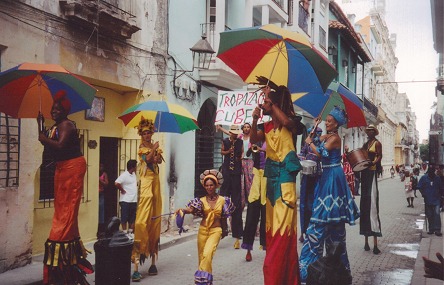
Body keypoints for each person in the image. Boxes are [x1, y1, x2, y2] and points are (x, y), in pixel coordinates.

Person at [298, 107, 359, 284]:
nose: (327, 122)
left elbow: (320, 153)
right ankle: (326, 271)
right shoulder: (328, 136)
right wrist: (313, 128)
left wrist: (310, 142)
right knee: (333, 228)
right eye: (327, 119)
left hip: (332, 178)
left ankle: (308, 271)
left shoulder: (336, 139)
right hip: (327, 177)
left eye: (330, 120)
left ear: (337, 123)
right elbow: (316, 139)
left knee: (322, 223)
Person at [37, 90, 92, 285]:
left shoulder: (67, 125)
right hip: (61, 169)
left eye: (58, 108)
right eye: (53, 108)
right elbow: (51, 148)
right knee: (62, 210)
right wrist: (40, 127)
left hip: (72, 168)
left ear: (65, 111)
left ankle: (61, 247)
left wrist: (44, 139)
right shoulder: (55, 126)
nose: (54, 110)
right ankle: (69, 267)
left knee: (67, 212)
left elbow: (59, 146)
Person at [251, 82, 302, 284]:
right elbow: (254, 139)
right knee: (273, 237)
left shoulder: (294, 123)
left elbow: (288, 124)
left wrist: (271, 102)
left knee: (282, 238)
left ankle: (273, 279)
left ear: (275, 103)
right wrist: (254, 120)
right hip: (271, 185)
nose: (263, 104)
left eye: (266, 102)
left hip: (285, 185)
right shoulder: (267, 126)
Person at [176, 169, 235, 285]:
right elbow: (191, 209)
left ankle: (201, 280)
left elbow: (225, 216)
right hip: (202, 231)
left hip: (216, 231)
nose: (209, 188)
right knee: (202, 257)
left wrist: (225, 229)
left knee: (208, 254)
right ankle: (207, 282)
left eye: (211, 185)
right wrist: (183, 210)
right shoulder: (201, 201)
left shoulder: (224, 200)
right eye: (207, 185)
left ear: (216, 185)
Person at [131, 117, 163, 282]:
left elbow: (156, 161)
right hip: (146, 184)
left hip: (155, 183)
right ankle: (136, 263)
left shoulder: (153, 146)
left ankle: (152, 262)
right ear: (141, 134)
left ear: (152, 132)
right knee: (141, 222)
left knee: (155, 220)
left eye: (149, 132)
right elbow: (148, 160)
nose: (147, 135)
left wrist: (157, 154)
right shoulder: (142, 147)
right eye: (144, 133)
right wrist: (154, 150)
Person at [241, 139, 267, 262]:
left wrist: (264, 150)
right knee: (251, 215)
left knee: (266, 217)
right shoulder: (256, 139)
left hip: (268, 177)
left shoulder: (274, 138)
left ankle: (267, 248)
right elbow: (247, 153)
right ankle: (248, 249)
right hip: (257, 177)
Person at [359, 124, 383, 254]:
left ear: (374, 132)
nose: (369, 133)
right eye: (367, 131)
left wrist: (373, 163)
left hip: (372, 173)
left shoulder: (377, 143)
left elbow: (379, 156)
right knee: (365, 205)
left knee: (372, 205)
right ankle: (366, 243)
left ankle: (375, 244)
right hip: (365, 174)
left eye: (371, 131)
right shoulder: (366, 144)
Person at [220, 124, 244, 249]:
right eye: (233, 132)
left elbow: (242, 153)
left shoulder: (240, 142)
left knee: (236, 201)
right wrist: (228, 152)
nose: (234, 135)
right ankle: (221, 229)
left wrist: (240, 158)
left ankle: (238, 231)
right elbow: (222, 151)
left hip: (236, 172)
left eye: (236, 133)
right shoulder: (225, 141)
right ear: (230, 133)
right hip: (226, 172)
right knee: (222, 200)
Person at [297, 126, 323, 243]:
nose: (315, 135)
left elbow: (321, 156)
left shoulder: (320, 144)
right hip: (306, 177)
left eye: (317, 133)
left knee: (314, 205)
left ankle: (313, 231)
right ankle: (303, 232)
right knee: (303, 205)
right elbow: (302, 154)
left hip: (316, 177)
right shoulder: (307, 144)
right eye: (313, 133)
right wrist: (301, 158)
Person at [115, 159, 138, 238]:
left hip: (133, 200)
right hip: (125, 200)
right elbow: (116, 183)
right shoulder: (124, 175)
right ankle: (125, 233)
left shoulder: (134, 174)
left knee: (133, 217)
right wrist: (122, 190)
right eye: (136, 166)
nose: (137, 167)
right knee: (124, 217)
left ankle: (131, 232)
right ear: (132, 167)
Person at [418, 165, 442, 236]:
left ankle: (437, 230)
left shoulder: (437, 178)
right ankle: (431, 229)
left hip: (436, 200)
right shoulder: (424, 178)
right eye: (430, 172)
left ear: (434, 171)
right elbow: (419, 186)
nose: (431, 173)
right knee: (430, 215)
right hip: (428, 200)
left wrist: (441, 198)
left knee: (437, 214)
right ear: (428, 171)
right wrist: (423, 193)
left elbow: (441, 188)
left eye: (433, 172)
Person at [240, 123, 254, 209]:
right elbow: (230, 133)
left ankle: (251, 200)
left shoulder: (252, 137)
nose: (246, 128)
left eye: (248, 127)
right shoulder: (240, 137)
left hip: (250, 161)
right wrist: (220, 128)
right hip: (242, 160)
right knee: (242, 181)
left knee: (250, 180)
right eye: (244, 127)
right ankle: (242, 202)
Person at [98, 163, 109, 238]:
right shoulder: (94, 172)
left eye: (102, 166)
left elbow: (106, 184)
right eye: (100, 166)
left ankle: (101, 230)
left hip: (101, 194)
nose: (101, 168)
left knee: (101, 212)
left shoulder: (104, 174)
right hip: (94, 194)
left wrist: (99, 180)